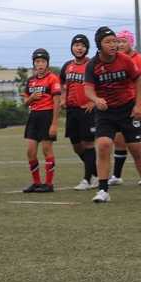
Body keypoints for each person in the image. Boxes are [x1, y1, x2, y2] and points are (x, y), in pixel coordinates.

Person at [84, 27, 141, 202]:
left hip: (127, 109)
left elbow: (138, 81)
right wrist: (96, 99)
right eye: (108, 42)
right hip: (105, 112)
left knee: (136, 147)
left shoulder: (125, 60)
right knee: (103, 145)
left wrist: (139, 105)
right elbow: (88, 89)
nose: (113, 45)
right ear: (99, 45)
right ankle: (103, 190)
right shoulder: (92, 65)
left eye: (114, 41)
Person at [109, 30, 141, 185]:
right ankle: (117, 176)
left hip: (137, 105)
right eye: (118, 41)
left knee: (140, 142)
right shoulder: (115, 60)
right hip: (121, 107)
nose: (120, 44)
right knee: (119, 141)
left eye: (123, 41)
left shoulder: (139, 60)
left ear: (131, 43)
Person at [59, 34, 98, 191]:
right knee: (76, 145)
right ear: (72, 47)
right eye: (76, 45)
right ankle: (96, 173)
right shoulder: (67, 66)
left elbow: (100, 85)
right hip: (72, 110)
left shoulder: (92, 64)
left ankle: (87, 179)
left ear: (87, 48)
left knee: (88, 143)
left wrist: (93, 101)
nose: (79, 48)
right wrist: (63, 97)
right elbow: (62, 82)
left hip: (87, 110)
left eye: (82, 45)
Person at [21, 48, 61, 193]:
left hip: (47, 115)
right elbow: (25, 102)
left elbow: (57, 102)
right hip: (34, 116)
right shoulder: (31, 81)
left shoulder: (53, 79)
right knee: (30, 151)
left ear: (47, 63)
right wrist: (31, 98)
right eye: (37, 61)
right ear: (33, 64)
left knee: (46, 149)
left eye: (43, 61)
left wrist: (54, 123)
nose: (40, 64)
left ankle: (49, 184)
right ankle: (36, 182)